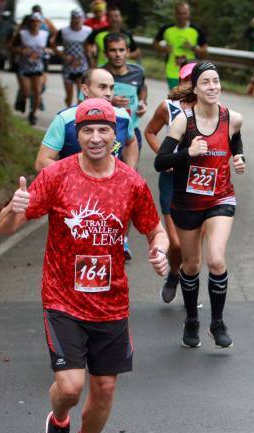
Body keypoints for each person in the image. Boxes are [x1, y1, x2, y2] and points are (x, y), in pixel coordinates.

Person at [0, 98, 170, 433]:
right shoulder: (57, 176)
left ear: (115, 136)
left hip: (111, 302)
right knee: (71, 386)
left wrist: (159, 250)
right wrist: (14, 207)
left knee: (105, 386)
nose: (95, 137)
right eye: (87, 131)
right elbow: (5, 228)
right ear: (77, 136)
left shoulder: (130, 182)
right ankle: (58, 423)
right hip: (63, 297)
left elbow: (154, 229)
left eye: (103, 130)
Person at [153, 62, 246, 349]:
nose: (213, 87)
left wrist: (240, 157)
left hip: (220, 198)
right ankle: (192, 319)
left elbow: (235, 140)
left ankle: (217, 323)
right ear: (194, 88)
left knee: (216, 259)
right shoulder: (184, 121)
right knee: (191, 265)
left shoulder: (234, 118)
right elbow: (160, 162)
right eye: (206, 82)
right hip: (187, 201)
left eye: (216, 81)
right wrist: (187, 152)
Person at [144, 62, 196, 303]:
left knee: (192, 245)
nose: (191, 84)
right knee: (175, 243)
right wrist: (164, 157)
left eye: (196, 80)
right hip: (171, 178)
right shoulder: (168, 107)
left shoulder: (213, 109)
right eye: (187, 79)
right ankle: (174, 274)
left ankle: (189, 288)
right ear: (180, 81)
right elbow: (150, 132)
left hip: (198, 180)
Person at [35, 68, 139, 172]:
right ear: (85, 89)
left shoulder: (123, 116)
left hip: (114, 187)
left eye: (111, 88)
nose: (108, 93)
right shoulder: (65, 119)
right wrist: (79, 179)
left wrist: (129, 173)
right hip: (74, 187)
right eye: (102, 87)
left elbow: (131, 142)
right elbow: (42, 162)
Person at [103, 32, 147, 261]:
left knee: (127, 185)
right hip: (106, 136)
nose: (118, 55)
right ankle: (101, 235)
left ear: (128, 51)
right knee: (104, 185)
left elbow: (142, 90)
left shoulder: (137, 72)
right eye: (113, 50)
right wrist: (109, 102)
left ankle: (123, 240)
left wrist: (142, 105)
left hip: (131, 134)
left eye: (122, 50)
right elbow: (88, 103)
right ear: (106, 53)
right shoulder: (101, 74)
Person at [153, 2, 208, 89]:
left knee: (189, 99)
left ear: (188, 13)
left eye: (184, 13)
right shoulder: (167, 29)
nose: (182, 16)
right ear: (175, 14)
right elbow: (155, 44)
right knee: (176, 98)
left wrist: (192, 48)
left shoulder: (196, 30)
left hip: (190, 71)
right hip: (172, 71)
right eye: (179, 13)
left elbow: (204, 52)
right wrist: (163, 49)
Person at [11, 13, 51, 125]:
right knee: (26, 92)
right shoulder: (22, 34)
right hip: (24, 67)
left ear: (40, 23)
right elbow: (11, 46)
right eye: (33, 21)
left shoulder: (44, 34)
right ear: (29, 23)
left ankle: (33, 114)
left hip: (38, 67)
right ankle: (22, 100)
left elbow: (50, 47)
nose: (35, 24)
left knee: (38, 92)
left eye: (37, 22)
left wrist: (48, 51)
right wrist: (20, 51)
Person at [56, 9, 93, 108]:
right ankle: (69, 111)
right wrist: (62, 55)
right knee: (69, 96)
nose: (76, 21)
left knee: (81, 95)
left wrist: (91, 55)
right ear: (71, 19)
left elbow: (93, 45)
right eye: (74, 18)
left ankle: (77, 116)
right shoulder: (63, 31)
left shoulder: (88, 31)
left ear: (82, 19)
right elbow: (54, 45)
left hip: (82, 66)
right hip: (68, 67)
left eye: (79, 18)